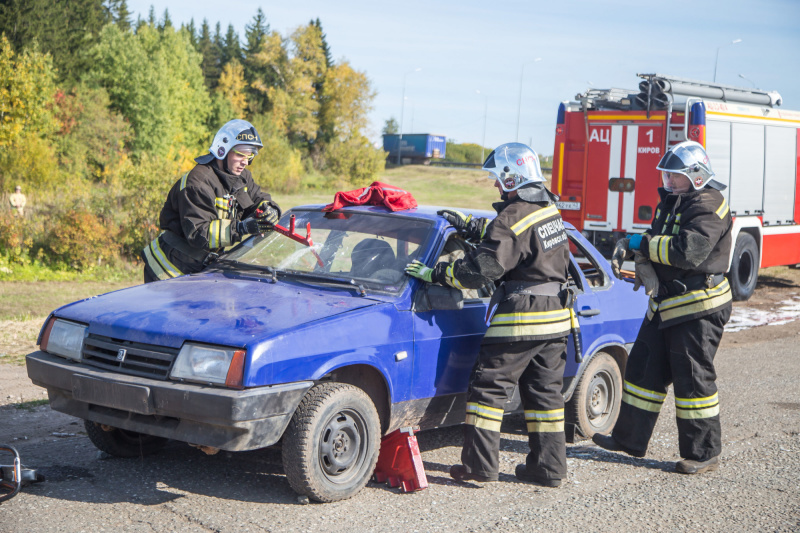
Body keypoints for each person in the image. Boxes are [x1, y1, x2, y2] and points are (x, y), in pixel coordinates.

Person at [405, 142, 572, 487]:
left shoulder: (513, 216)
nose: (496, 185)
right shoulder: (547, 209)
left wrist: (438, 274)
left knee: (488, 391)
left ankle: (479, 468)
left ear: (513, 179)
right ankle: (549, 469)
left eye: (499, 179)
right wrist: (472, 227)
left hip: (523, 318)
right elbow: (519, 244)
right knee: (545, 398)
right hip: (556, 319)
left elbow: (481, 271)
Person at [592, 140, 733, 475]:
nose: (668, 180)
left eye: (676, 175)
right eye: (667, 174)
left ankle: (703, 454)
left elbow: (689, 251)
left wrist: (642, 244)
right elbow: (657, 237)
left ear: (697, 175)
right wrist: (637, 251)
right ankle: (628, 440)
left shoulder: (710, 204)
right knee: (642, 370)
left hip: (698, 306)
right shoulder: (672, 200)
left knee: (693, 381)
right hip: (667, 302)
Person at [142, 119, 281, 283]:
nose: (246, 161)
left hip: (201, 267)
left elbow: (257, 199)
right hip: (169, 269)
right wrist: (243, 227)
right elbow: (199, 233)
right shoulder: (198, 183)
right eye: (240, 153)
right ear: (222, 150)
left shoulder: (241, 177)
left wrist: (269, 210)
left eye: (251, 154)